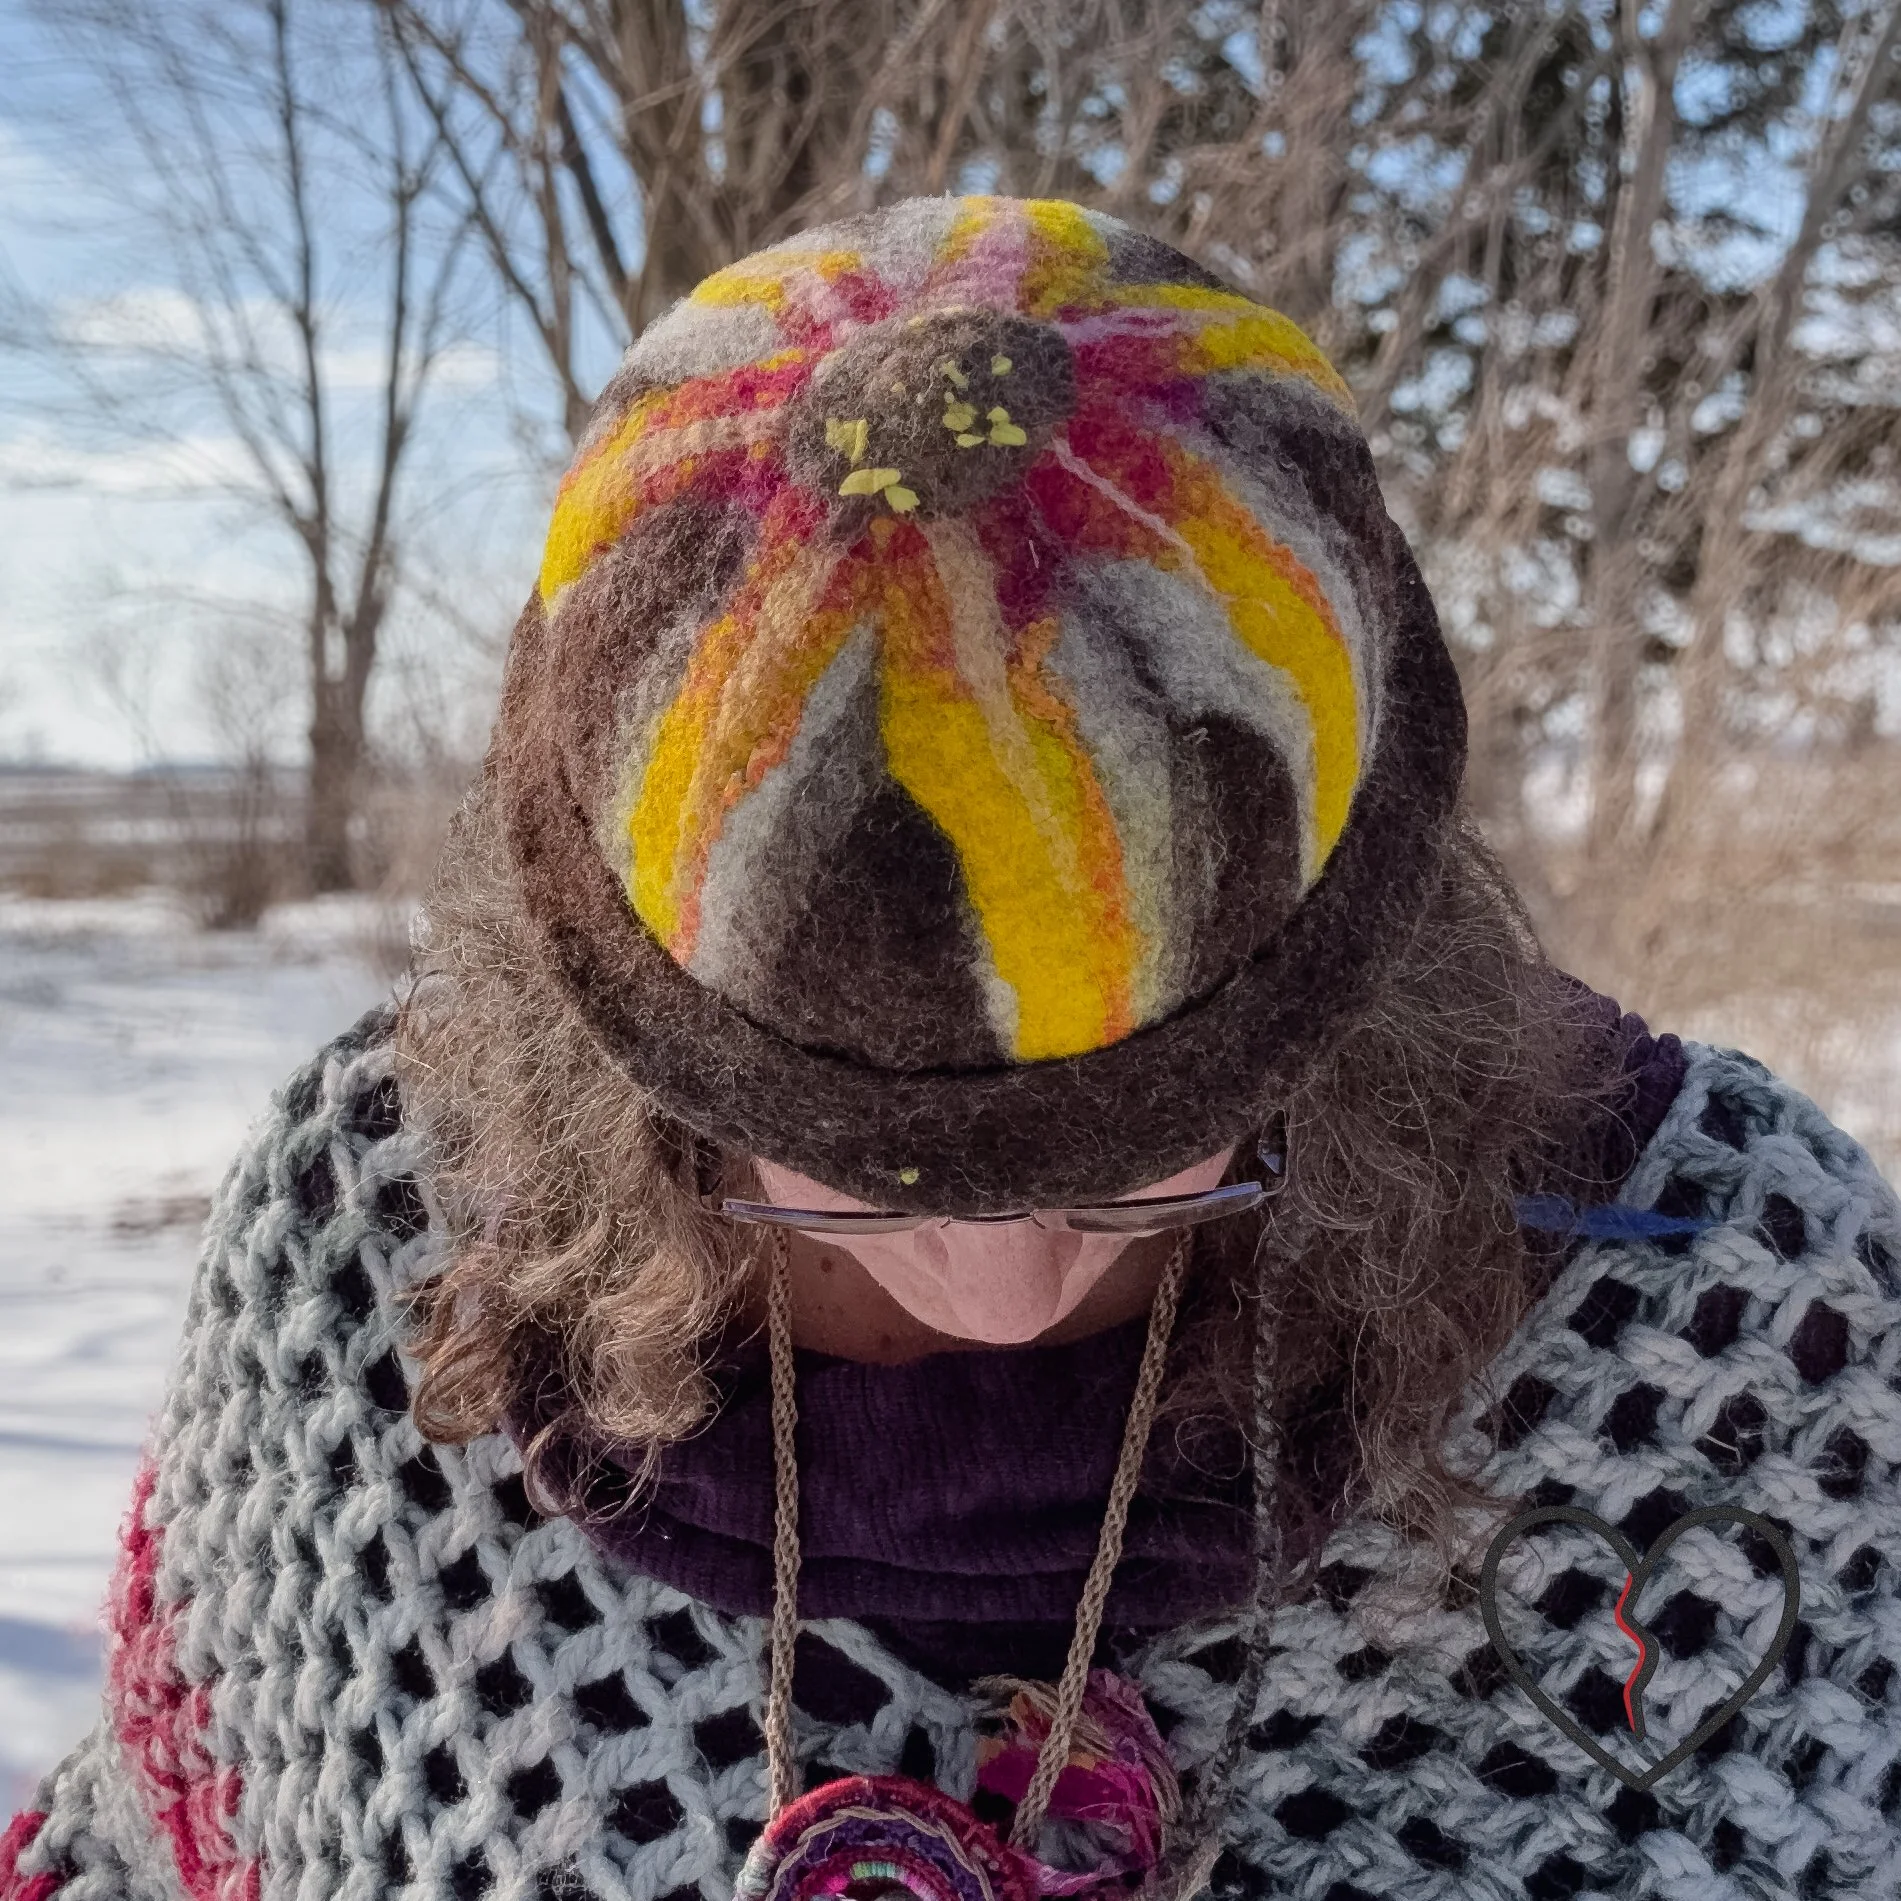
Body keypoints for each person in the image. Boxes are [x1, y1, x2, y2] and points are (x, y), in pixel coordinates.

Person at [6, 195, 1899, 1901]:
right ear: (610, 1037)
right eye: (839, 1172)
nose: (1002, 1293)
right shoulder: (381, 1245)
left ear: (1365, 969)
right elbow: (165, 1843)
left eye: (1148, 1151)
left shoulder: (1733, 1327)